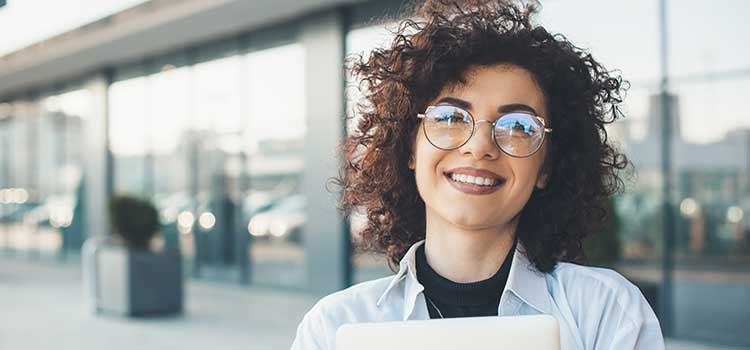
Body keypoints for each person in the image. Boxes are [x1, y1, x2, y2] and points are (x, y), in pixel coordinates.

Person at [291, 0, 664, 349]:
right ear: (410, 148)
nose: (480, 145)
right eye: (451, 118)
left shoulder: (605, 313)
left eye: (517, 126)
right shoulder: (334, 328)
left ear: (546, 168)